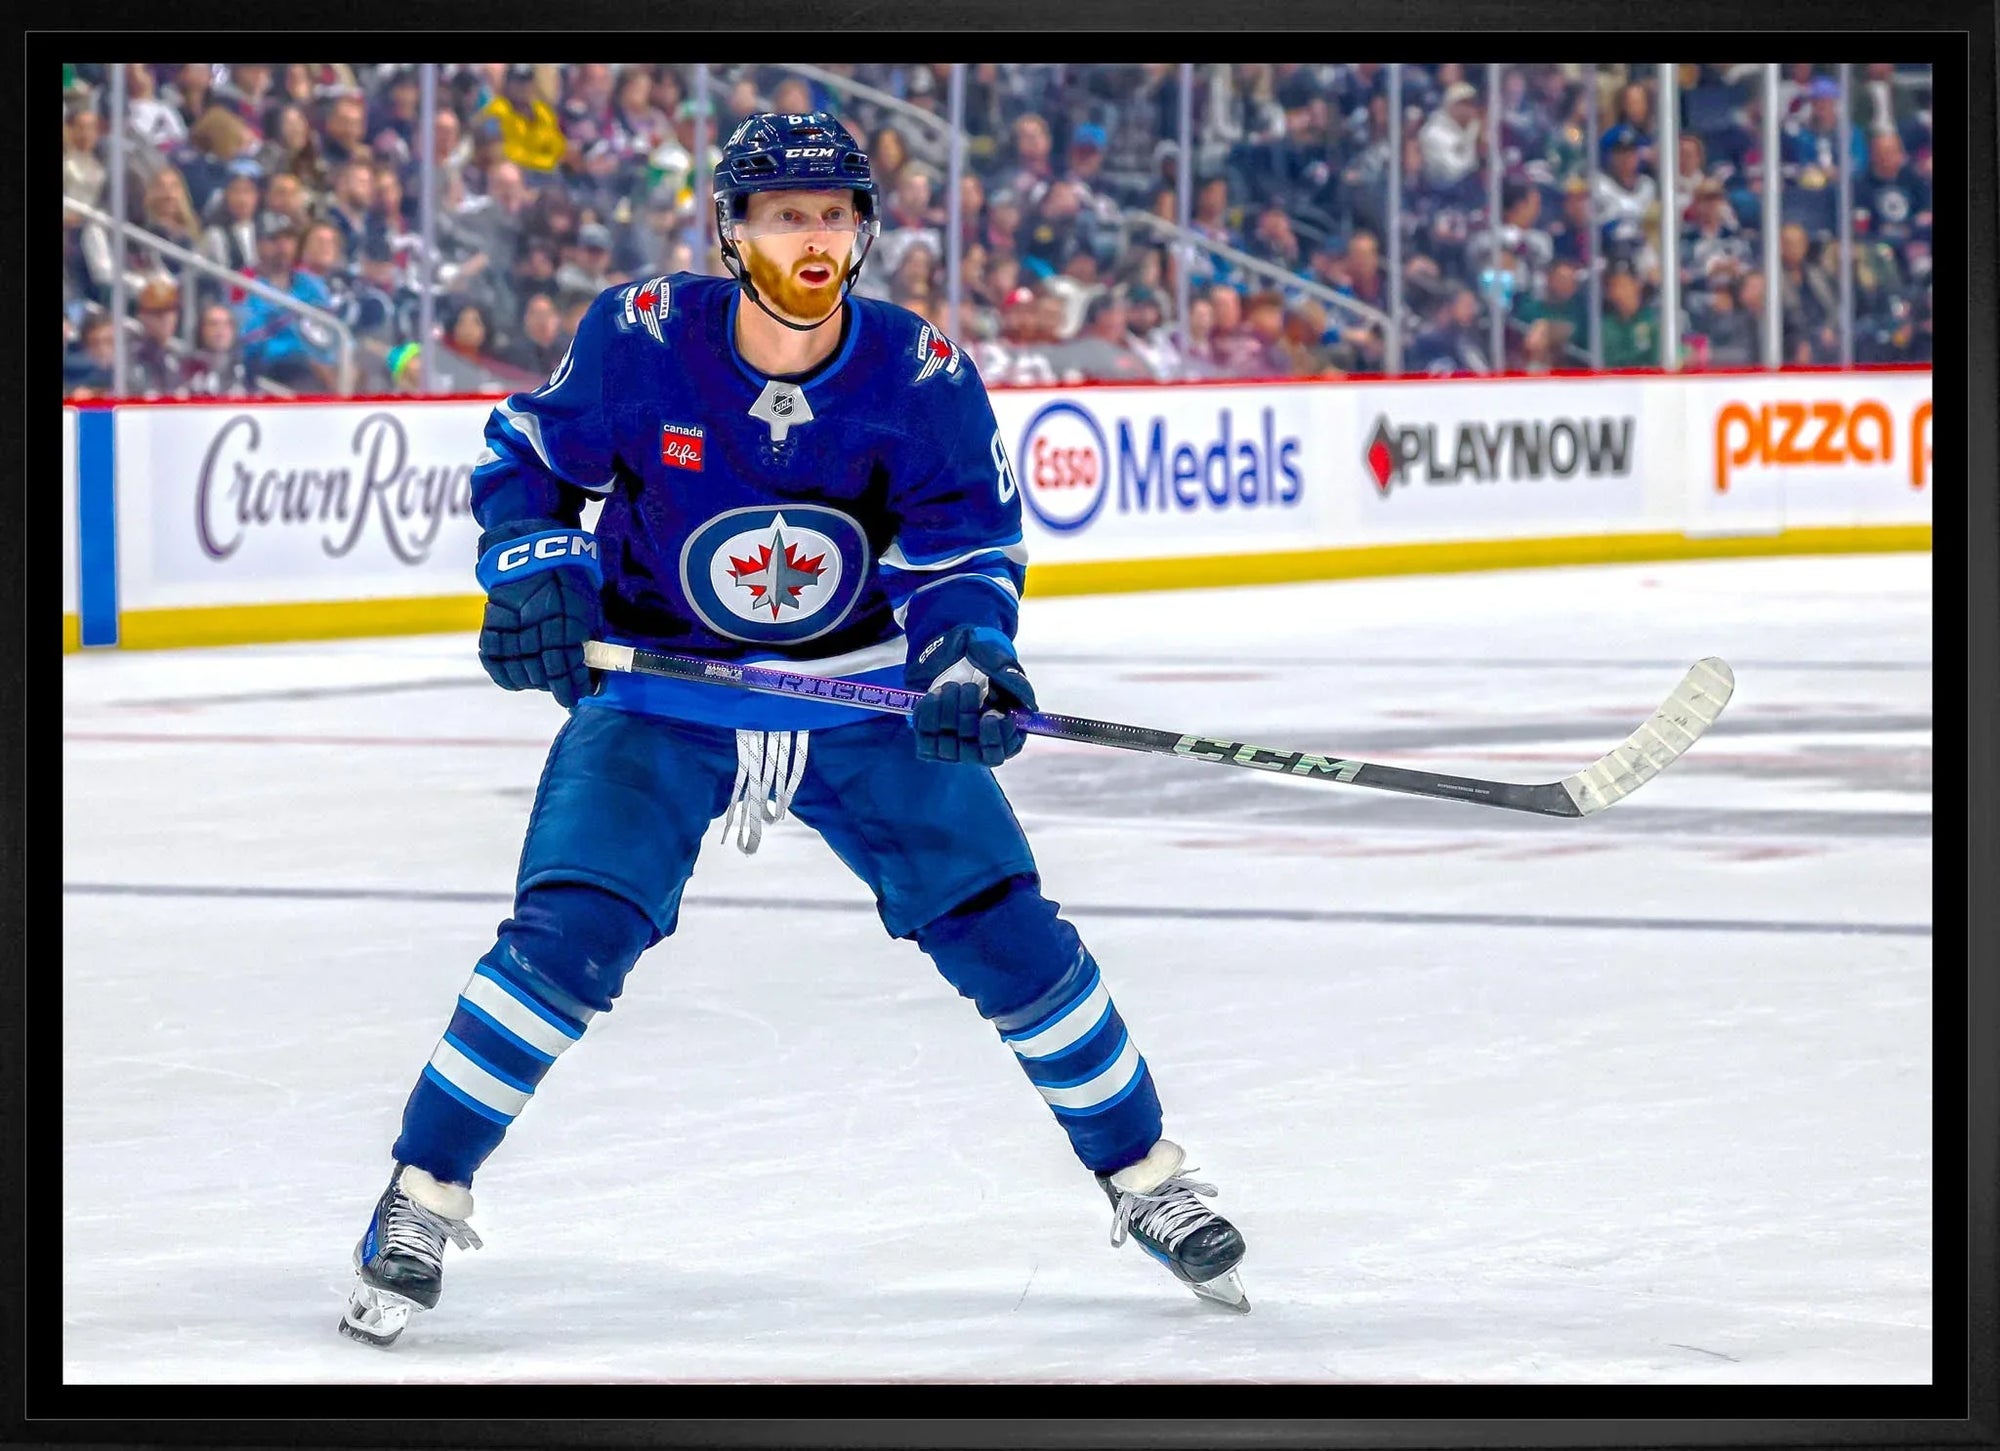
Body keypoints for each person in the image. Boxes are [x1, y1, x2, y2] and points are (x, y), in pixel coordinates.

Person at [340, 110, 1249, 1348]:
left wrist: (967, 654)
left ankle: (1145, 1176)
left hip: (854, 687)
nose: (813, 238)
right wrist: (537, 569)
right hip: (665, 683)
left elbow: (963, 546)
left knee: (1005, 931)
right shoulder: (640, 335)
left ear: (864, 229)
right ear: (732, 230)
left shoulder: (917, 370)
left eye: (832, 214)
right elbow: (527, 457)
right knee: (571, 933)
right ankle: (422, 1190)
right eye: (785, 215)